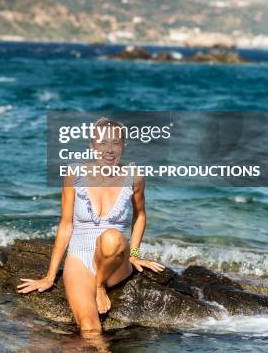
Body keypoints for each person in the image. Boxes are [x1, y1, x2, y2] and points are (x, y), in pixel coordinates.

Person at [17, 117, 165, 334]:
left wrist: (133, 254)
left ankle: (99, 286)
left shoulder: (134, 177)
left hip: (116, 261)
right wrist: (50, 276)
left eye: (116, 143)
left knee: (112, 237)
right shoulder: (74, 174)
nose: (110, 149)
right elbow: (66, 225)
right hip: (80, 257)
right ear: (92, 146)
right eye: (103, 143)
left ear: (123, 146)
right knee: (89, 329)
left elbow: (140, 215)